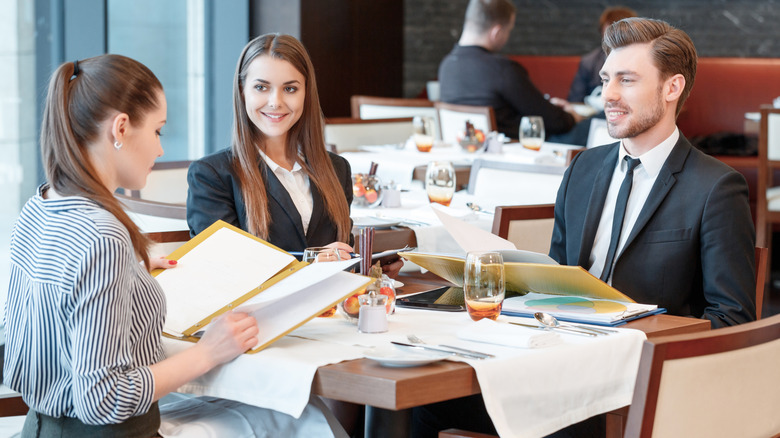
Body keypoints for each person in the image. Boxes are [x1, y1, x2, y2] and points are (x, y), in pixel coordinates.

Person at [2, 55, 258, 436]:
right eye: (158, 131)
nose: (159, 150)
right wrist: (209, 352)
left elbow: (19, 345)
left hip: (38, 427)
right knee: (300, 422)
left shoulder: (39, 206)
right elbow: (102, 398)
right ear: (121, 128)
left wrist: (129, 273)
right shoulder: (103, 236)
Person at [550, 17, 756, 329]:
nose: (608, 95)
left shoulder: (717, 188)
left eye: (627, 80)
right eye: (605, 80)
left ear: (672, 87)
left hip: (647, 361)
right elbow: (554, 283)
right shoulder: (582, 168)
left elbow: (732, 319)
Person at [186, 33, 402, 276]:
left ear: (306, 93)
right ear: (242, 90)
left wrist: (366, 268)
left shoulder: (337, 169)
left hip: (330, 310)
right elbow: (220, 270)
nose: (275, 102)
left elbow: (339, 257)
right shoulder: (211, 176)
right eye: (261, 87)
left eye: (290, 88)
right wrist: (311, 268)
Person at [438, 0, 582, 140]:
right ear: (496, 32)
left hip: (467, 153)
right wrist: (570, 116)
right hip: (515, 154)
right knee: (593, 123)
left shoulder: (446, 65)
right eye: (508, 30)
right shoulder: (502, 70)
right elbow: (555, 122)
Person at [567, 6, 637, 103]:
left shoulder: (643, 61)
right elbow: (575, 100)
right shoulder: (589, 62)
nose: (614, 43)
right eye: (608, 36)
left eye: (620, 36)